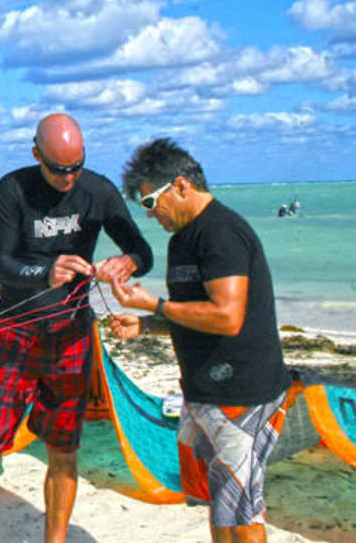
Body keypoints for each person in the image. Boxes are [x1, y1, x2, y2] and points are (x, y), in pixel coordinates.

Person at [0, 113, 153, 543]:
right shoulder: (13, 188)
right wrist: (47, 272)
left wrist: (127, 262)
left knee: (64, 449)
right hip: (17, 333)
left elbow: (142, 250)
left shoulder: (98, 190)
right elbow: (3, 265)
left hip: (72, 334)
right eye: (58, 169)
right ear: (36, 155)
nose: (68, 178)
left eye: (76, 166)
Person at [109, 138, 289, 543]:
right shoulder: (182, 241)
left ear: (180, 186)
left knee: (242, 512)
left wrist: (154, 305)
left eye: (150, 202)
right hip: (202, 393)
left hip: (241, 392)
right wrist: (147, 325)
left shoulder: (221, 233)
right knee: (218, 505)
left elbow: (227, 316)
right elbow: (194, 313)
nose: (150, 215)